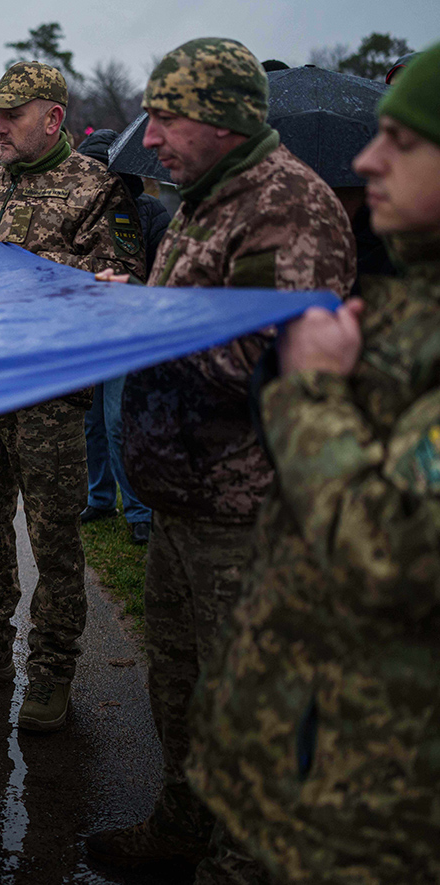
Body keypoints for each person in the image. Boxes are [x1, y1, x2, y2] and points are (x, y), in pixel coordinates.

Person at [86, 38, 355, 876]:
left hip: (251, 513)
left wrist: (135, 323)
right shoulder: (203, 199)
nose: (151, 136)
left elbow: (260, 359)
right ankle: (184, 822)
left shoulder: (287, 209)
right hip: (184, 498)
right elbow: (193, 314)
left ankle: (243, 861)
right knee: (176, 676)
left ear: (226, 121)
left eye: (166, 117)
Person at [188, 41, 440, 885]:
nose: (368, 160)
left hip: (389, 814)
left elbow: (388, 553)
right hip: (339, 761)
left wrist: (314, 391)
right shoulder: (411, 301)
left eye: (402, 143)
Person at [0, 62, 146, 733]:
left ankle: (51, 667)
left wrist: (28, 278)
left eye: (12, 113)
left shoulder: (96, 187)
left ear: (53, 117)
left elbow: (122, 279)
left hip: (50, 394)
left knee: (55, 535)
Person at [74, 128, 170, 545]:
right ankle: (100, 496)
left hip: (129, 333)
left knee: (119, 422)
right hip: (87, 332)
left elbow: (165, 276)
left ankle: (139, 510)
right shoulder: (78, 209)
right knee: (91, 422)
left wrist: (132, 290)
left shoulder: (149, 211)